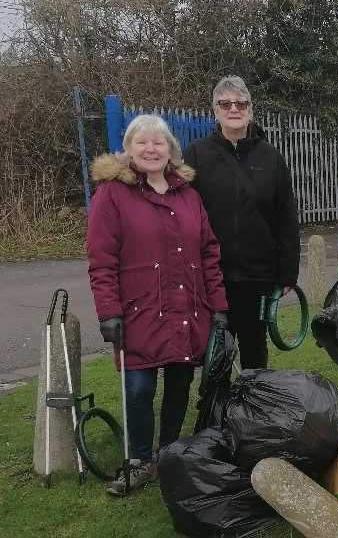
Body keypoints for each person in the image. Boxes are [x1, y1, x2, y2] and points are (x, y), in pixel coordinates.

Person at [87, 114, 229, 495]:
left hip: (187, 310)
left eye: (158, 143)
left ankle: (168, 453)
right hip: (139, 312)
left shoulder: (188, 195)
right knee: (137, 388)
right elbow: (102, 260)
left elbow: (209, 252)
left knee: (180, 384)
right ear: (128, 149)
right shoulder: (111, 195)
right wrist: (109, 313)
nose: (151, 149)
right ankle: (137, 460)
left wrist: (219, 306)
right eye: (141, 143)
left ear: (171, 150)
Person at [184, 76, 300, 369]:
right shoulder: (197, 155)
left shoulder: (271, 157)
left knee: (254, 353)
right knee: (216, 354)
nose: (233, 108)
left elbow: (286, 216)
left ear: (250, 109)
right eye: (226, 103)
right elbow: (183, 213)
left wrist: (287, 273)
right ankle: (216, 412)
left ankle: (254, 411)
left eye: (241, 103)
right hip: (213, 276)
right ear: (215, 110)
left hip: (257, 277)